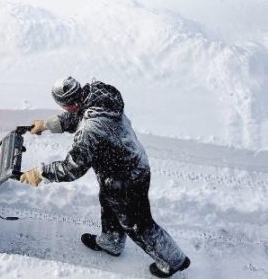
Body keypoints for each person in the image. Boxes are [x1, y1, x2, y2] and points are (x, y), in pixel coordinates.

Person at [19, 76, 190, 278]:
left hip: (127, 178)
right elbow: (80, 115)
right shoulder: (97, 94)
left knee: (136, 223)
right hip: (124, 166)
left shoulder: (90, 130)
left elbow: (72, 168)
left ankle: (173, 260)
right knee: (109, 204)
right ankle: (112, 242)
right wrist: (47, 125)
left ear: (69, 105)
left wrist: (40, 173)